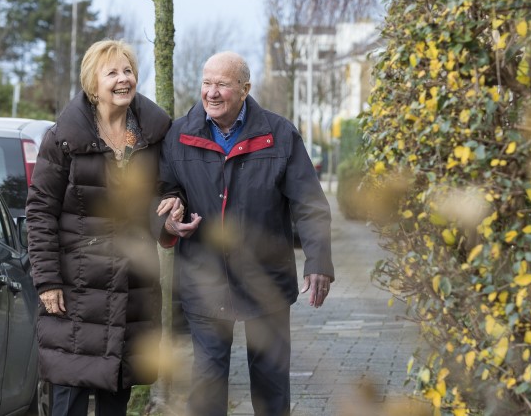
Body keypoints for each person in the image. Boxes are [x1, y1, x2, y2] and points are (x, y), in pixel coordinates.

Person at [156, 51, 334, 416]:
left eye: (222, 84)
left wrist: (318, 261)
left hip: (265, 280)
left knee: (270, 385)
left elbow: (310, 205)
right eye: (206, 83)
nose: (212, 92)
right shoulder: (178, 135)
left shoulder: (279, 134)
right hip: (204, 280)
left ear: (245, 88)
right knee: (206, 383)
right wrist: (168, 219)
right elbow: (162, 191)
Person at [25, 39, 172, 416]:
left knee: (115, 398)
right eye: (113, 73)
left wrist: (170, 219)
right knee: (70, 398)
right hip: (76, 290)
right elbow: (40, 210)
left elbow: (163, 195)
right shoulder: (63, 139)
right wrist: (47, 280)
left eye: (128, 71)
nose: (124, 80)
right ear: (93, 84)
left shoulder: (152, 136)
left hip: (130, 286)